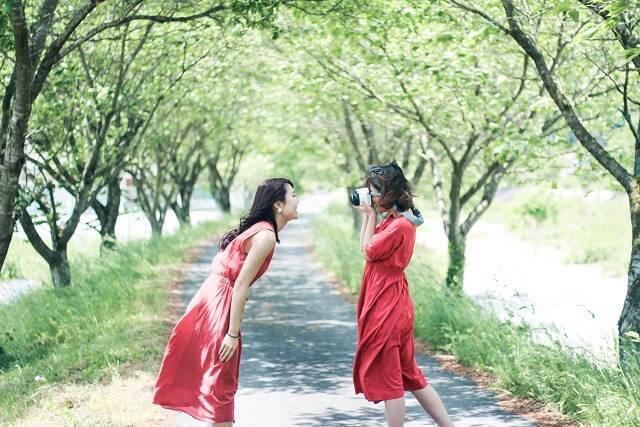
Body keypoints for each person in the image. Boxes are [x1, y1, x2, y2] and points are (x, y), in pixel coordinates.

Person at [153, 178, 299, 426]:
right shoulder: (265, 236)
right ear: (278, 204)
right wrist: (232, 333)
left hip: (211, 298)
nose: (298, 200)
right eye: (293, 195)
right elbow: (240, 284)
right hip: (219, 303)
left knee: (218, 380)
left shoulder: (263, 229)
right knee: (221, 381)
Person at [352, 161, 454, 427]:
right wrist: (369, 216)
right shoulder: (395, 221)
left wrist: (369, 215)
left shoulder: (399, 226)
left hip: (387, 303)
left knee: (391, 379)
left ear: (388, 193)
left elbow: (368, 251)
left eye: (374, 193)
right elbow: (366, 248)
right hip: (391, 298)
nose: (372, 197)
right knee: (410, 374)